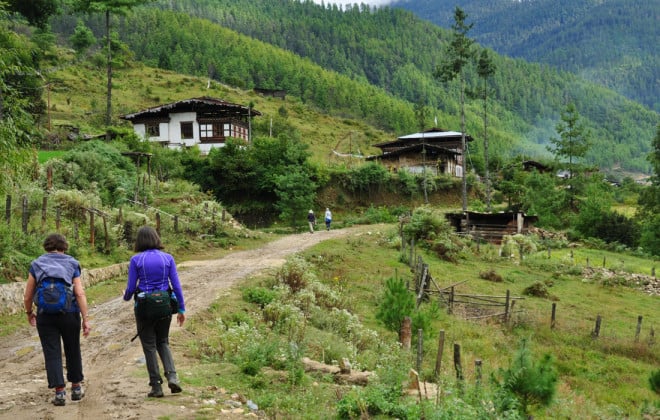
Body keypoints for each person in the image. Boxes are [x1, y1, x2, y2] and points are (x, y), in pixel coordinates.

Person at [23, 233, 91, 406]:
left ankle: (59, 392)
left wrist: (29, 312)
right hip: (69, 313)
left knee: (51, 352)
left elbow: (28, 294)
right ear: (64, 246)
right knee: (72, 348)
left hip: (45, 315)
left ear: (46, 246)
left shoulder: (37, 264)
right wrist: (86, 318)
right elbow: (80, 293)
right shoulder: (72, 263)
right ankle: (76, 388)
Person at [123, 226, 186, 398]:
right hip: (165, 305)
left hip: (144, 308)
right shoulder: (168, 258)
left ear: (139, 241)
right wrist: (181, 308)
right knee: (163, 341)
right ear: (156, 239)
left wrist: (126, 297)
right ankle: (172, 376)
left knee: (149, 345)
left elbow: (130, 288)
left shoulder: (136, 260)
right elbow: (176, 285)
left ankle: (156, 386)